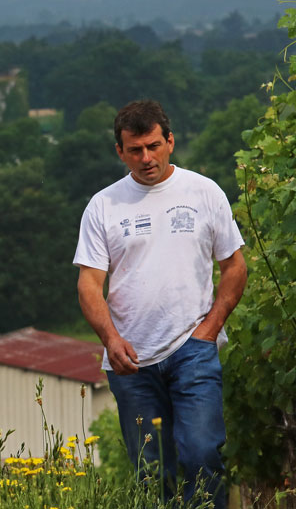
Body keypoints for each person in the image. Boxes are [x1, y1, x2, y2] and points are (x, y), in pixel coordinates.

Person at [73, 100, 247, 508]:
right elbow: (88, 285)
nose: (146, 158)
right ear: (120, 151)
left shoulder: (204, 192)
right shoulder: (104, 206)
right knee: (152, 473)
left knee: (203, 453)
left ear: (170, 141)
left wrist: (209, 331)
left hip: (194, 349)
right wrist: (111, 339)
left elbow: (234, 267)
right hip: (131, 360)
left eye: (153, 146)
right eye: (135, 150)